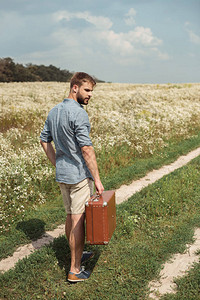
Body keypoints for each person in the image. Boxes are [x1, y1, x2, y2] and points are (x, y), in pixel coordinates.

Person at [40, 72, 104, 282]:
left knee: (70, 216)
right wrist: (97, 179)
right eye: (87, 90)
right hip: (78, 177)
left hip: (63, 175)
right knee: (78, 221)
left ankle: (76, 255)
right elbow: (86, 149)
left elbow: (44, 140)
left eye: (92, 91)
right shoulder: (78, 113)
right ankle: (75, 270)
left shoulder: (54, 111)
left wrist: (57, 162)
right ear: (74, 87)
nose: (90, 95)